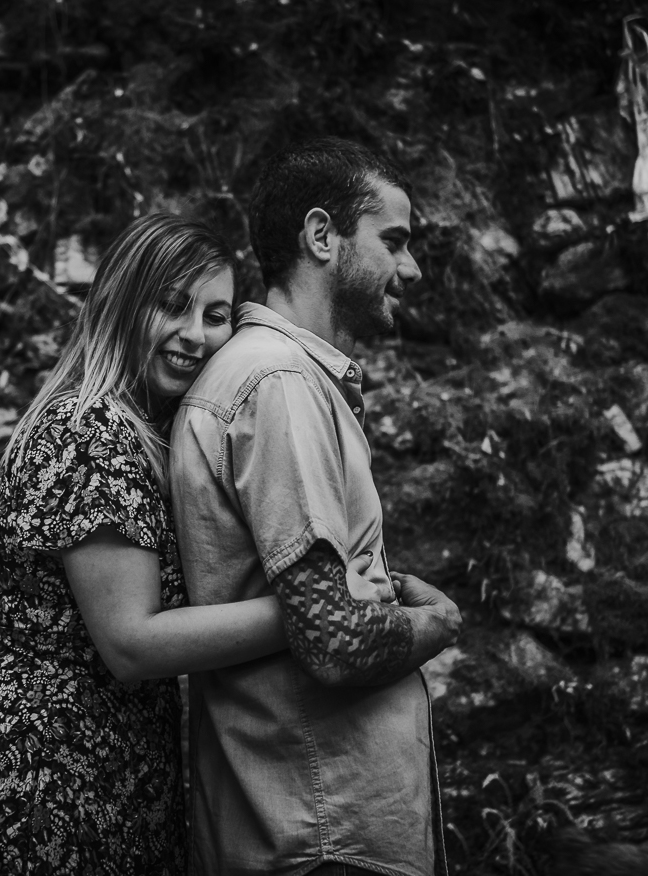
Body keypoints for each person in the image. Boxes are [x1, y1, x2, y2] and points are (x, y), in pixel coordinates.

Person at [0, 211, 378, 876]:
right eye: (173, 306)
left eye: (216, 315)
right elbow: (132, 643)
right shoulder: (93, 433)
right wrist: (319, 611)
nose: (196, 334)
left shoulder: (140, 432)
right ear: (121, 306)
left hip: (108, 790)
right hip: (47, 801)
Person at [171, 138, 464, 876]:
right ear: (321, 236)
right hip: (319, 839)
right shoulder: (277, 384)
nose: (411, 268)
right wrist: (434, 625)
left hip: (316, 829)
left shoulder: (288, 379)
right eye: (393, 241)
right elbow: (331, 639)